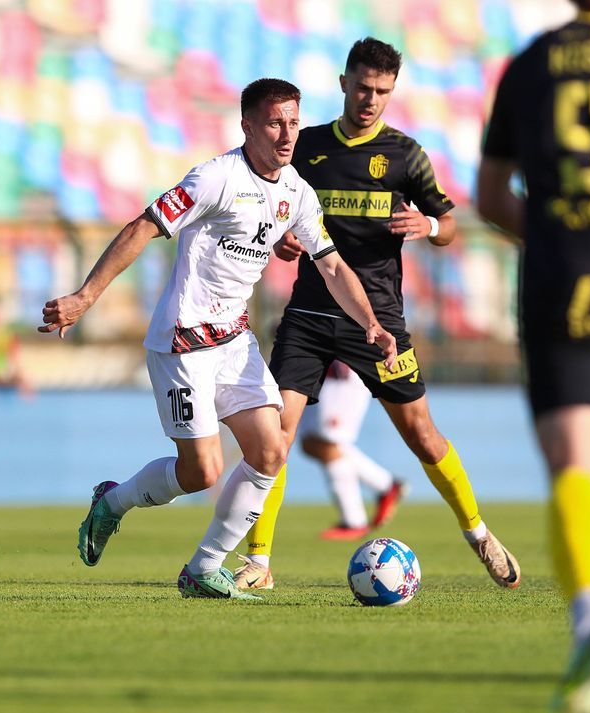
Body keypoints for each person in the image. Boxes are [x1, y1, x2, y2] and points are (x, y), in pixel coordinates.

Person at [39, 77, 397, 599]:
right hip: (182, 343)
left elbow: (333, 264)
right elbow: (144, 225)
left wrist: (371, 322)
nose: (287, 134)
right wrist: (85, 297)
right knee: (201, 471)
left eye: (294, 122)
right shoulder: (215, 178)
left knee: (270, 450)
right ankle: (112, 502)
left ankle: (204, 567)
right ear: (248, 125)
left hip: (234, 341)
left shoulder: (296, 191)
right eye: (275, 122)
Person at [233, 38, 521, 594]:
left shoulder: (406, 155)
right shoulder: (308, 147)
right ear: (344, 83)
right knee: (277, 434)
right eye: (363, 87)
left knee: (422, 435)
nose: (370, 99)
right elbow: (274, 208)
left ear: (392, 92)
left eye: (382, 91)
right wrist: (283, 241)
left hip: (379, 324)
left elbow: (452, 223)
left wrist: (430, 228)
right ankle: (259, 561)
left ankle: (479, 533)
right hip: (311, 314)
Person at [476, 2, 590, 709]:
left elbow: (492, 197)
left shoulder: (530, 65)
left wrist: (554, 235)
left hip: (560, 276)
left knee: (573, 455)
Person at [297, 360, 407, 540]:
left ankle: (354, 521)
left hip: (343, 369)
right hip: (318, 367)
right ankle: (386, 485)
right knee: (310, 443)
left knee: (329, 442)